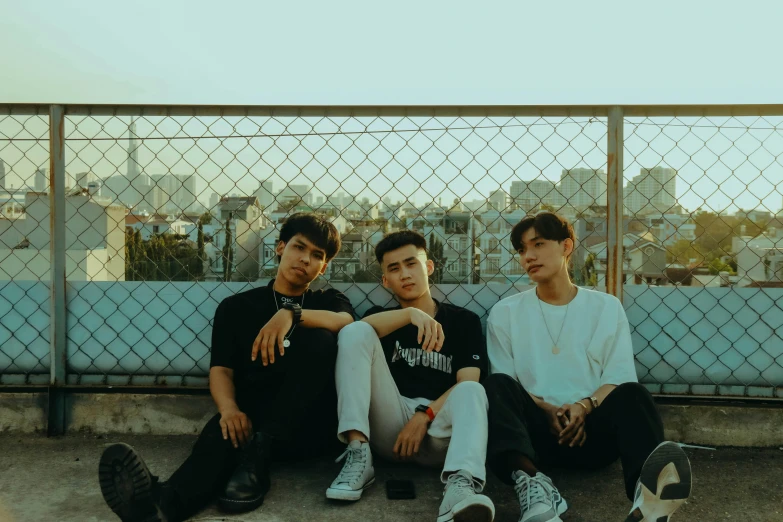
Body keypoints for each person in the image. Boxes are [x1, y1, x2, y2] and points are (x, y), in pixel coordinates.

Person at [98, 213, 355, 522]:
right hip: (250, 420)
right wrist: (230, 409)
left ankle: (258, 457)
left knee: (322, 341)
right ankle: (158, 506)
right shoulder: (236, 308)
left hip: (307, 428)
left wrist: (291, 314)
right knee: (222, 432)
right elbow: (221, 370)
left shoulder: (328, 300)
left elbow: (346, 323)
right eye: (299, 248)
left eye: (317, 256)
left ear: (323, 267)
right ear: (280, 247)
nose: (305, 259)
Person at [482, 212, 692, 522]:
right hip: (533, 440)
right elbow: (507, 384)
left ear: (566, 246)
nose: (528, 256)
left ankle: (649, 504)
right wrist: (546, 410)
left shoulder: (605, 307)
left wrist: (585, 405)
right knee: (493, 386)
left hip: (592, 435)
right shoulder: (505, 313)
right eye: (522, 250)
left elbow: (618, 378)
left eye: (538, 244)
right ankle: (533, 484)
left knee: (634, 395)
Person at [326, 230, 495, 522]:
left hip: (440, 432)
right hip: (390, 428)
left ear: (428, 267)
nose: (404, 274)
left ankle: (460, 486)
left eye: (411, 264)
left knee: (473, 390)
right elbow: (357, 334)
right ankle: (358, 453)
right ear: (385, 281)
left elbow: (467, 381)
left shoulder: (462, 321)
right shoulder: (381, 317)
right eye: (394, 269)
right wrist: (408, 315)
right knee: (355, 331)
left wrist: (424, 414)